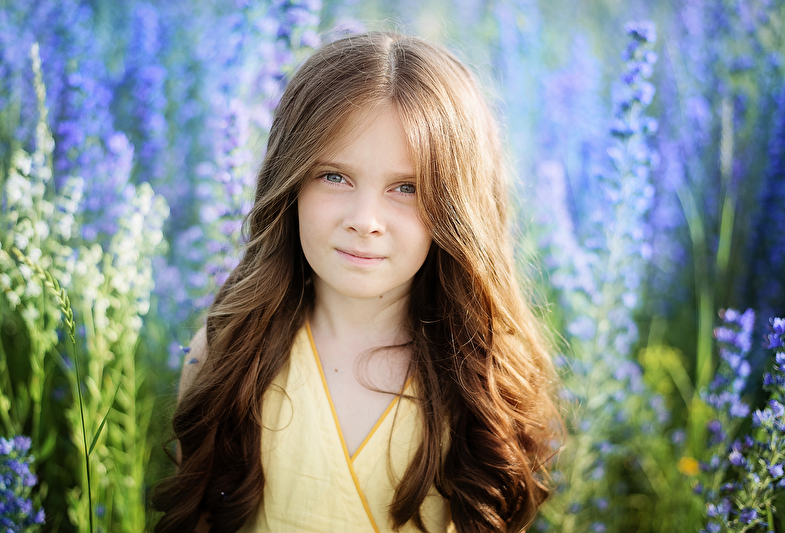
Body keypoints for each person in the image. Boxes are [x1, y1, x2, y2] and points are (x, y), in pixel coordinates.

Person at [152, 31, 561, 533]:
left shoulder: (480, 380)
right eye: (334, 176)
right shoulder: (227, 355)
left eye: (406, 187)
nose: (365, 220)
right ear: (290, 181)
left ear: (456, 208)